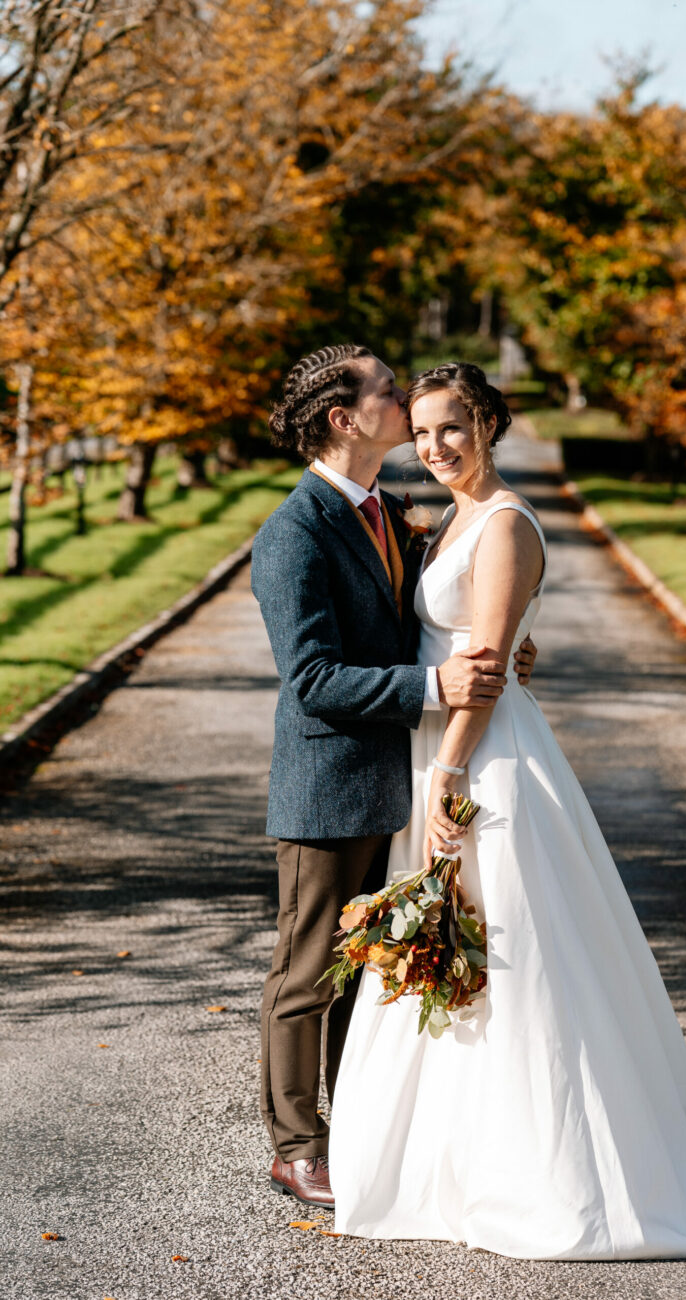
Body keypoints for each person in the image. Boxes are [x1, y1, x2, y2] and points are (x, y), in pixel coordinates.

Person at [328, 362, 686, 1259]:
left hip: (482, 759)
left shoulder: (505, 522)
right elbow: (489, 637)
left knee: (509, 948)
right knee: (454, 945)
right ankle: (455, 1150)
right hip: (445, 743)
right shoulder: (454, 521)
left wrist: (448, 771)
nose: (433, 447)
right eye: (422, 431)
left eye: (452, 429)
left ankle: (545, 1164)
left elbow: (482, 667)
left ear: (490, 425)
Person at [250, 345, 537, 1208]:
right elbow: (310, 679)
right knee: (307, 973)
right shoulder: (294, 531)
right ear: (346, 419)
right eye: (386, 393)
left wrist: (494, 637)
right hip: (329, 786)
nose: (402, 402)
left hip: (399, 778)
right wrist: (434, 685)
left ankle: (363, 1128)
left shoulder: (389, 510)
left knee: (367, 969)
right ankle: (297, 1148)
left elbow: (429, 618)